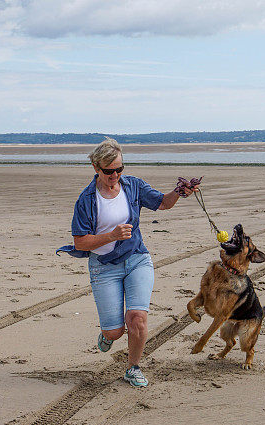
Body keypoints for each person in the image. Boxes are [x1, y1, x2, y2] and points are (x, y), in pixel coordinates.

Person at [57, 138, 197, 387]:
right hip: (104, 266)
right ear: (96, 168)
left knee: (136, 319)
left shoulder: (133, 186)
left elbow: (163, 203)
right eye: (109, 171)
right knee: (115, 331)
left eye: (119, 169)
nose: (115, 175)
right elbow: (79, 243)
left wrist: (179, 192)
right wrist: (111, 236)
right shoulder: (86, 200)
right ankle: (108, 335)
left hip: (137, 259)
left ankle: (133, 368)